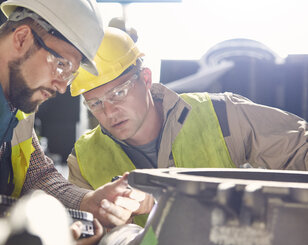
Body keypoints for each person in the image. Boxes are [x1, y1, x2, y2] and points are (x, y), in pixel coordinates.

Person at [0, 1, 146, 245]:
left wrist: (89, 201)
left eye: (71, 74)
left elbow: (37, 176)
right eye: (61, 65)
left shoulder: (15, 98)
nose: (62, 86)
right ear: (22, 38)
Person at [66, 27, 308, 224]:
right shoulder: (84, 158)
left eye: (118, 93)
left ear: (146, 79)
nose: (109, 112)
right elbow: (83, 234)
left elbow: (299, 148)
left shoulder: (221, 114)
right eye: (95, 103)